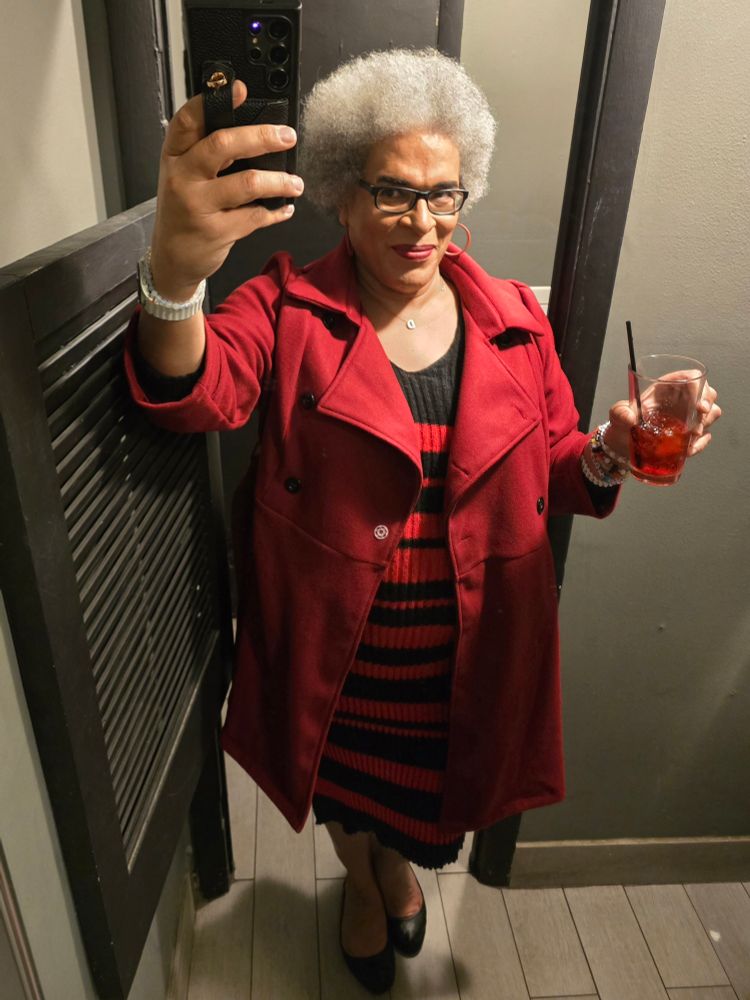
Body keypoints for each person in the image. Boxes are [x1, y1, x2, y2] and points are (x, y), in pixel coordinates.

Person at [125, 48, 720, 994]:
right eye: (395, 192)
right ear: (340, 192)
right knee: (347, 799)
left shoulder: (516, 322)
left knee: (424, 815)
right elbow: (193, 387)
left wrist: (613, 445)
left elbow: (557, 471)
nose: (424, 222)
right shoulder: (285, 307)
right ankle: (367, 885)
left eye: (445, 196)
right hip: (338, 659)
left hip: (469, 661)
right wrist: (175, 277)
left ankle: (392, 872)